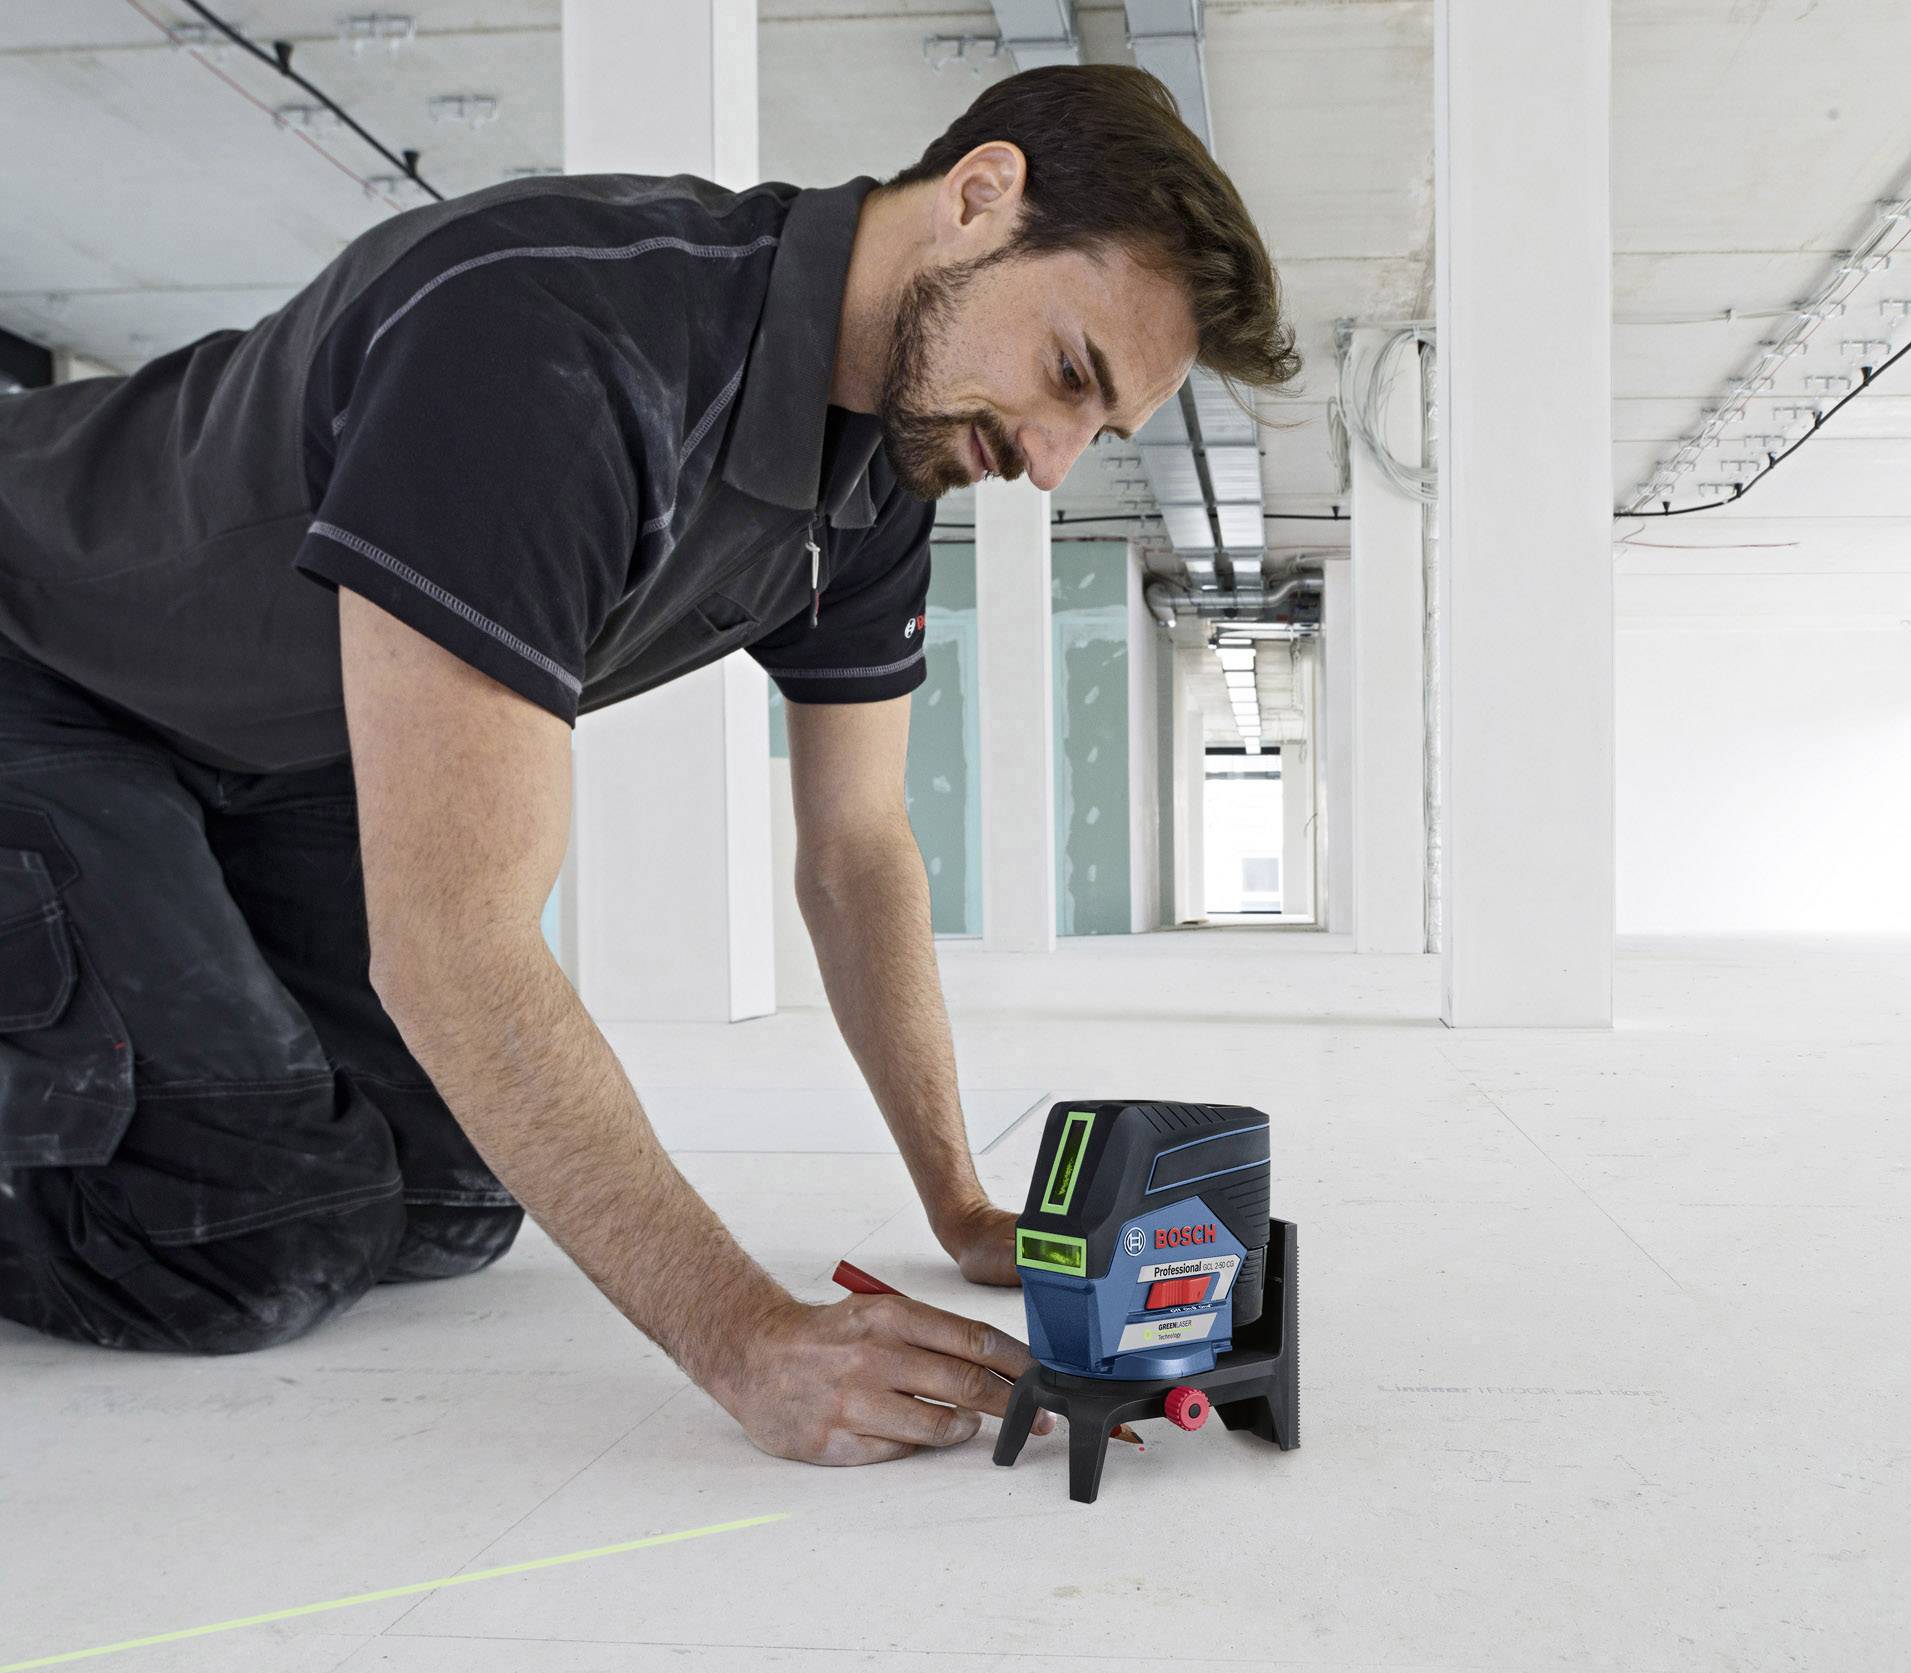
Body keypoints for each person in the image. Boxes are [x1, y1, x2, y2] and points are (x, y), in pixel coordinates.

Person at [0, 64, 1298, 1467]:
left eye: (1093, 433)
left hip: (266, 736)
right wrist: (743, 1335)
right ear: (981, 200)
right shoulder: (545, 340)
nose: (1048, 463)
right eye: (1066, 373)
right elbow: (451, 944)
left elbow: (856, 849)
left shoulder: (883, 473)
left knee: (454, 1195)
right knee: (257, 1228)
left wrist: (960, 1205)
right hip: (47, 661)